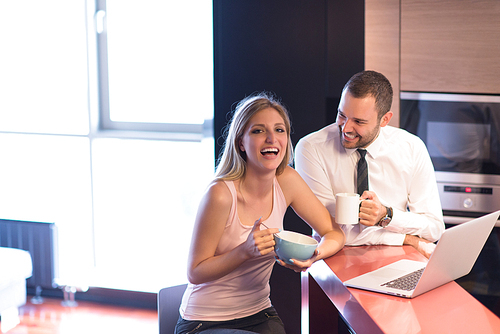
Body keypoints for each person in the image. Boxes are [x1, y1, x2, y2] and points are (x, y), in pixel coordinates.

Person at [175, 92, 346, 334]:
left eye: (279, 130)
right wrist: (244, 251)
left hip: (258, 312)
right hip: (204, 321)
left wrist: (314, 255)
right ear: (240, 143)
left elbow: (333, 233)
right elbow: (195, 271)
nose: (271, 139)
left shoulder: (287, 180)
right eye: (258, 131)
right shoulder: (221, 194)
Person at [295, 70, 445, 259]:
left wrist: (386, 215)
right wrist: (407, 238)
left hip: (396, 261)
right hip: (332, 259)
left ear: (385, 120)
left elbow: (434, 229)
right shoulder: (311, 149)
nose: (346, 128)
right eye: (341, 114)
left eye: (359, 121)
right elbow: (335, 232)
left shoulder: (412, 148)